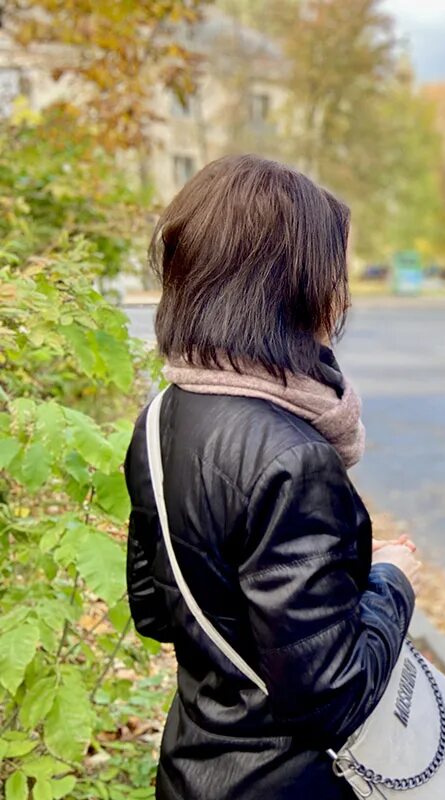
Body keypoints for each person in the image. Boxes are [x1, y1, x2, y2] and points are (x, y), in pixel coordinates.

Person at [124, 154, 422, 799]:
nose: (340, 294)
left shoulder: (160, 417)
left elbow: (155, 610)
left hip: (191, 768)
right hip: (289, 783)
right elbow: (334, 698)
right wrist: (392, 582)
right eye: (331, 273)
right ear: (289, 287)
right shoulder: (296, 458)